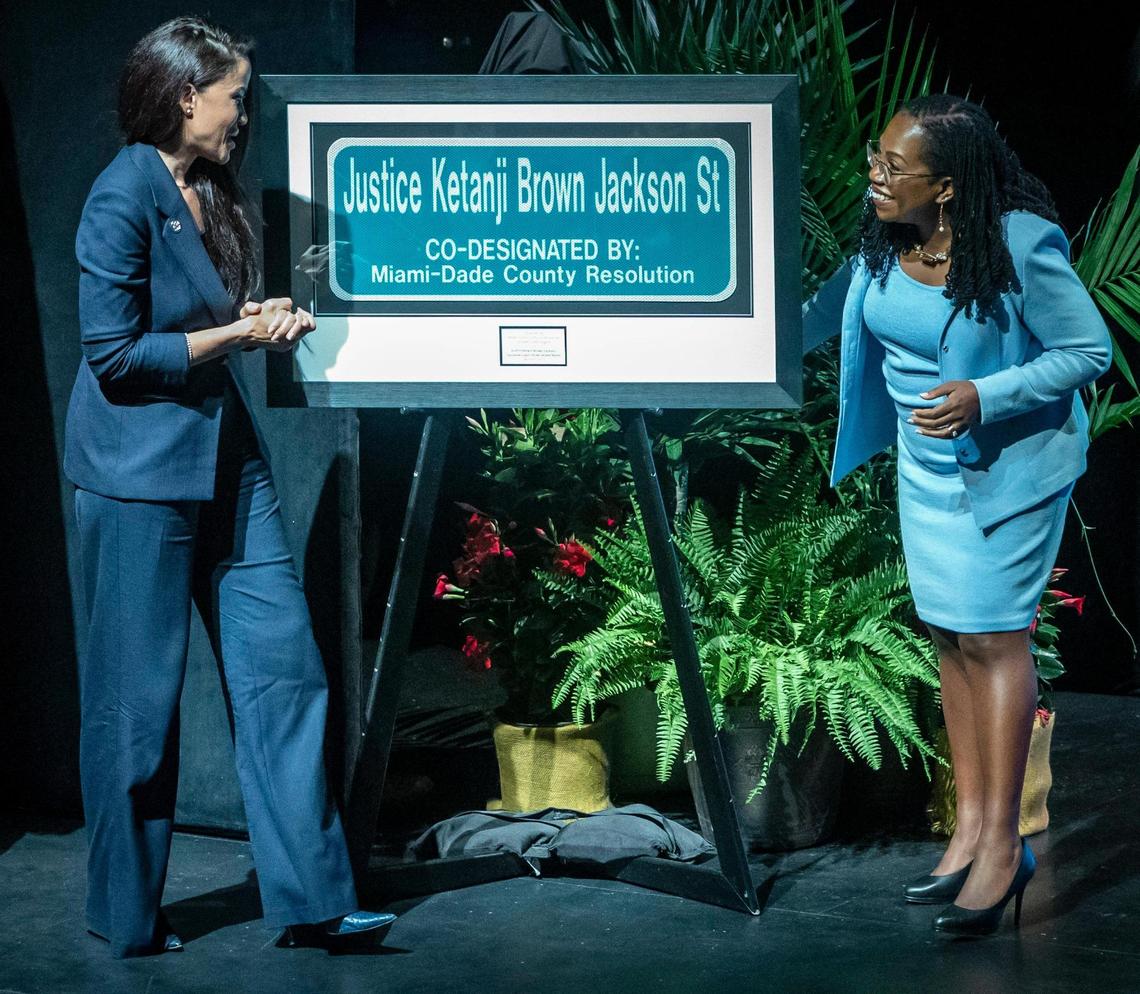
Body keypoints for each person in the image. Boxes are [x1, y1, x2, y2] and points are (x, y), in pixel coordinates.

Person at [64, 16, 395, 957]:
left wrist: (261, 315)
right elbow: (116, 356)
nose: (244, 114)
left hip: (226, 460)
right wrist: (238, 336)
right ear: (185, 97)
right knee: (136, 706)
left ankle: (316, 899)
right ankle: (125, 912)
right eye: (234, 96)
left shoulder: (209, 193)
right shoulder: (119, 195)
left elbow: (203, 320)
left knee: (283, 669)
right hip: (136, 474)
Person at [802, 93, 1111, 936]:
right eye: (875, 158)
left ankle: (1006, 848)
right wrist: (723, 352)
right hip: (925, 472)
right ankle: (970, 827)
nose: (874, 175)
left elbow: (1087, 350)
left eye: (893, 167)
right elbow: (813, 320)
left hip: (1011, 472)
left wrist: (986, 394)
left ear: (945, 186)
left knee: (995, 638)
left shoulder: (1018, 243)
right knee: (949, 635)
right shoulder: (883, 241)